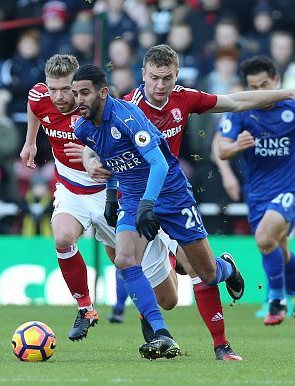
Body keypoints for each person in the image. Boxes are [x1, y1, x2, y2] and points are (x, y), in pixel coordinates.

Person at [83, 44, 295, 356]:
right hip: (136, 196)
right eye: (154, 78)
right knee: (130, 263)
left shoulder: (184, 98)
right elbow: (94, 140)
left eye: (167, 78)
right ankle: (159, 332)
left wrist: (288, 93)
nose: (160, 86)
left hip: (173, 196)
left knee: (204, 272)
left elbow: (236, 101)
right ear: (142, 74)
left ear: (176, 75)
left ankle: (222, 337)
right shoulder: (126, 106)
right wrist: (90, 161)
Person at [19, 55, 184, 352]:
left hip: (113, 193)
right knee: (62, 237)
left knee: (167, 298)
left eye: (66, 89)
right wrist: (30, 141)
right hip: (71, 190)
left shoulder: (100, 109)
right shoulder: (39, 96)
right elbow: (34, 106)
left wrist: (90, 155)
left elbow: (118, 145)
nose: (59, 96)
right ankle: (85, 307)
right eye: (52, 88)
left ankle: (172, 260)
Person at [216, 55, 295, 327]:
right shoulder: (241, 111)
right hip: (257, 194)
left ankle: (276, 299)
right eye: (253, 87)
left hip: (290, 189)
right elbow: (221, 148)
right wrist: (235, 147)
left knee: (263, 237)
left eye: (264, 84)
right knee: (277, 248)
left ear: (276, 81)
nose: (259, 92)